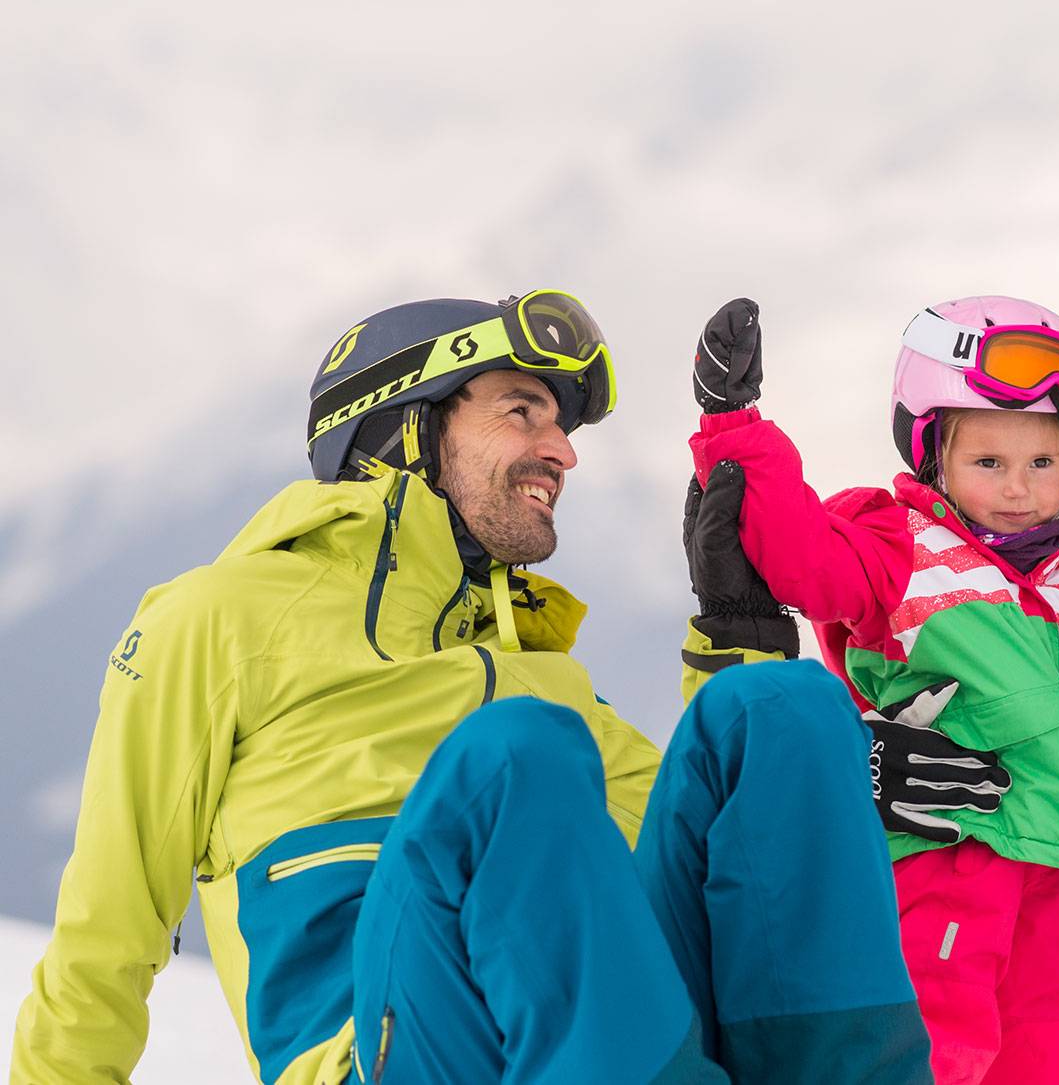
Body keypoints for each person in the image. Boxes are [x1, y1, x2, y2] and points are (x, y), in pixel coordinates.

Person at [12, 290, 963, 1084]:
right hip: (385, 1047)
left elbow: (715, 865)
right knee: (516, 757)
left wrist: (741, 636)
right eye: (522, 411)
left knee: (782, 710)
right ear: (405, 425)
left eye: (561, 425)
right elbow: (107, 930)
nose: (563, 450)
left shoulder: (536, 670)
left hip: (586, 1040)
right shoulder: (218, 617)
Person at [682, 297, 1059, 1085]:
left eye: (1042, 464)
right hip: (948, 849)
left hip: (1054, 875)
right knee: (939, 1037)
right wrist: (736, 429)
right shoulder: (909, 547)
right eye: (988, 462)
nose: (1018, 487)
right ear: (936, 459)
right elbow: (804, 555)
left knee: (1051, 1047)